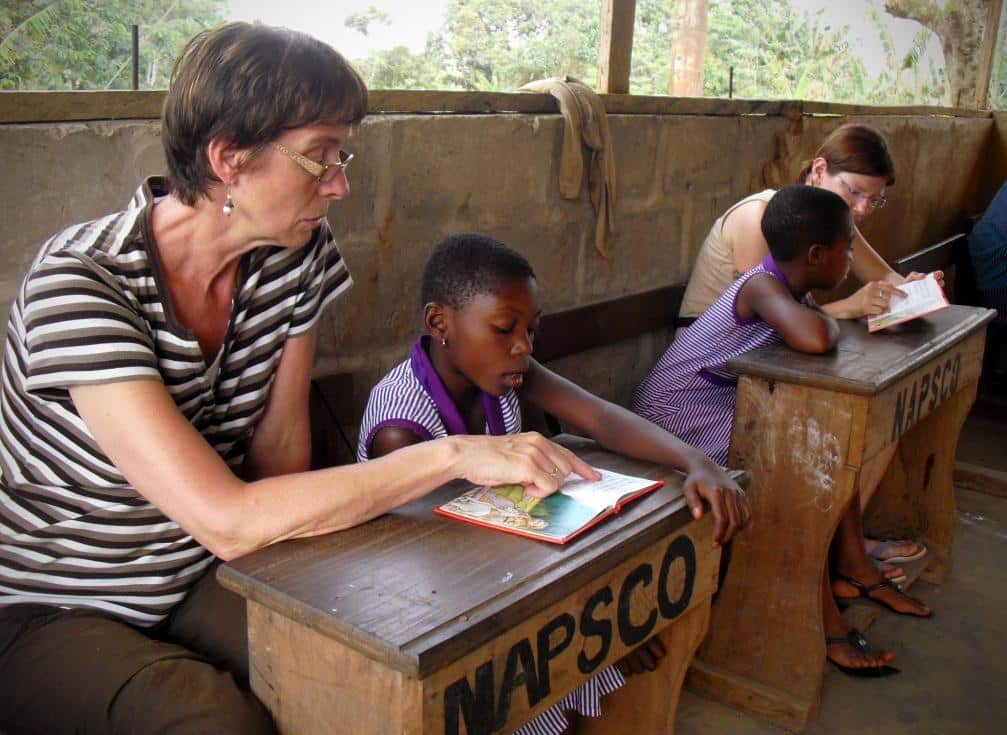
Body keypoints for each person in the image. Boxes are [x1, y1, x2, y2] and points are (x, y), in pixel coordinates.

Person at [0, 24, 603, 735]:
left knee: (360, 665)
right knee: (213, 721)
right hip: (57, 603)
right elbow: (227, 517)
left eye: (341, 153)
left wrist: (326, 599)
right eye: (320, 156)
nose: (341, 183)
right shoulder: (81, 287)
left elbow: (281, 442)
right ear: (229, 159)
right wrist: (452, 453)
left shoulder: (294, 253)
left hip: (192, 571)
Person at [358, 232, 751, 734]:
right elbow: (454, 564)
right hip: (441, 614)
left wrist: (696, 460)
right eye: (504, 329)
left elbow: (600, 418)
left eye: (531, 330)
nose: (523, 346)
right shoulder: (401, 429)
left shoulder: (504, 369)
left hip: (499, 581)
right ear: (439, 323)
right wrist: (598, 620)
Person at [634, 186, 931, 677]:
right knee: (799, 478)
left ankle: (855, 568)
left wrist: (818, 314)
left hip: (719, 406)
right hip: (675, 416)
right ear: (817, 255)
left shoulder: (792, 290)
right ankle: (823, 621)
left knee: (829, 454)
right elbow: (815, 337)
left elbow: (809, 329)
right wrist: (828, 319)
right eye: (848, 248)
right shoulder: (760, 286)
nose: (852, 257)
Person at [678, 122, 934, 578]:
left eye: (873, 201)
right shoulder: (769, 223)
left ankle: (834, 550)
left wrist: (915, 290)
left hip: (763, 359)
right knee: (819, 441)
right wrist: (846, 310)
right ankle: (816, 559)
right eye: (855, 192)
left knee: (850, 427)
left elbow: (876, 280)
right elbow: (786, 319)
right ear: (819, 170)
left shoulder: (824, 220)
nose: (862, 210)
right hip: (715, 378)